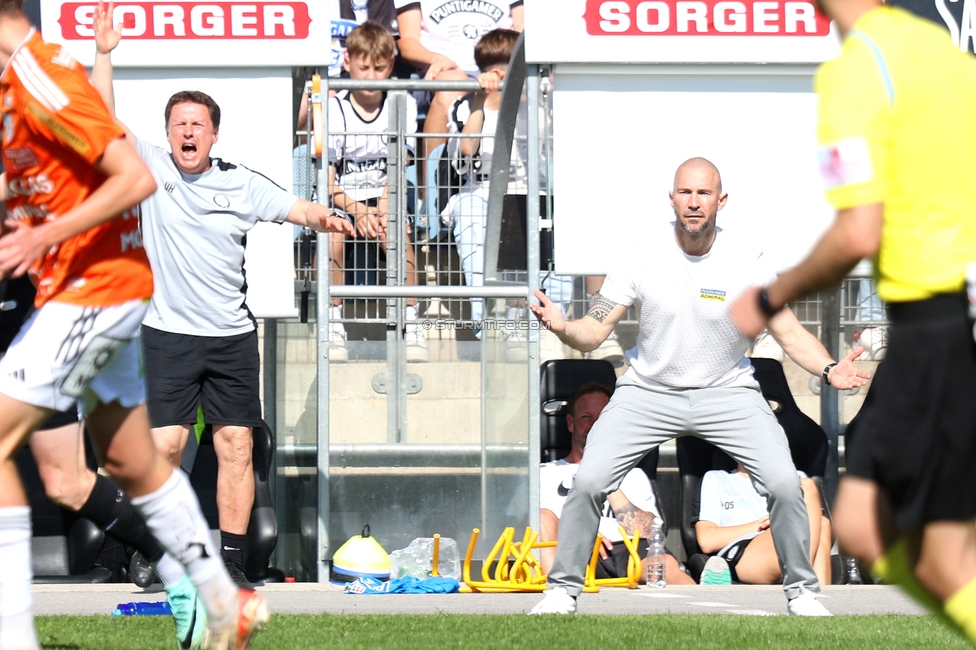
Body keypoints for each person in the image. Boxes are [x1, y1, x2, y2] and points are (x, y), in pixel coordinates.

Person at [0, 2, 264, 649]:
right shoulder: (20, 80)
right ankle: (218, 599)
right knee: (111, 466)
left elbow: (135, 176)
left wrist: (44, 236)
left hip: (91, 292)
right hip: (86, 294)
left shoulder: (39, 72)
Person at [729, 0, 976, 641]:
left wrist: (768, 296)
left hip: (939, 314)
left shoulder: (856, 70)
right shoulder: (943, 59)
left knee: (865, 520)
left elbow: (857, 230)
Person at [527, 157, 871, 617]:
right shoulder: (640, 251)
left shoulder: (747, 259)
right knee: (589, 480)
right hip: (649, 391)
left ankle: (803, 593)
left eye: (703, 193)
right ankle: (562, 591)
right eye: (685, 193)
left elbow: (788, 332)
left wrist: (830, 369)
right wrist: (563, 327)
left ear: (720, 201)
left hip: (728, 392)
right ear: (672, 198)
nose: (693, 202)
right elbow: (593, 330)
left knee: (787, 486)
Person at [90, 2, 355, 594]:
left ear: (214, 134)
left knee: (236, 445)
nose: (187, 132)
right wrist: (104, 54)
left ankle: (232, 561)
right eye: (178, 124)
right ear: (167, 133)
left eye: (197, 125)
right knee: (165, 445)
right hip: (168, 335)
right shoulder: (149, 171)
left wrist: (332, 219)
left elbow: (297, 208)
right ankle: (154, 550)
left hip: (233, 337)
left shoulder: (239, 180)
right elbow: (100, 118)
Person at [441, 28, 573, 361]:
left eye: (509, 67)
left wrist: (537, 94)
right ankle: (486, 320)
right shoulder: (464, 105)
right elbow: (467, 150)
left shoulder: (537, 109)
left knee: (549, 212)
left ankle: (540, 320)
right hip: (480, 193)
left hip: (527, 193)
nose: (501, 76)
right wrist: (480, 101)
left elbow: (554, 143)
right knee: (470, 212)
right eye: (494, 68)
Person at [325, 20, 427, 362]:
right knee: (332, 236)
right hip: (343, 198)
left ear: (390, 66)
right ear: (347, 62)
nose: (369, 77)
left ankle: (410, 322)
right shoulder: (335, 109)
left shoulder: (403, 104)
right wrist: (359, 211)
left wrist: (381, 210)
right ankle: (332, 322)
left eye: (379, 68)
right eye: (363, 67)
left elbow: (397, 171)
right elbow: (327, 183)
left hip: (385, 197)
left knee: (396, 232)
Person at [540, 383, 695, 585]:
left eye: (603, 417)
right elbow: (533, 525)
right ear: (571, 423)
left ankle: (710, 615)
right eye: (586, 417)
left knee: (665, 565)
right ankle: (557, 596)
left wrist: (603, 474)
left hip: (626, 548)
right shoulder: (545, 473)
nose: (595, 425)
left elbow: (648, 533)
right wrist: (583, 532)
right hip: (568, 549)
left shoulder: (633, 475)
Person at [394, 0, 523, 211]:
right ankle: (432, 203)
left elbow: (523, 30)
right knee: (451, 87)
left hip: (499, 64)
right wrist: (438, 59)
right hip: (440, 69)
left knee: (528, 85)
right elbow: (407, 42)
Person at [696, 463, 832, 587]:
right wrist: (769, 523)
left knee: (821, 520)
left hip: (789, 542)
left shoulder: (797, 477)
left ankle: (807, 585)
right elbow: (707, 540)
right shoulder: (717, 479)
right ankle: (806, 584)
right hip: (741, 554)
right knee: (808, 500)